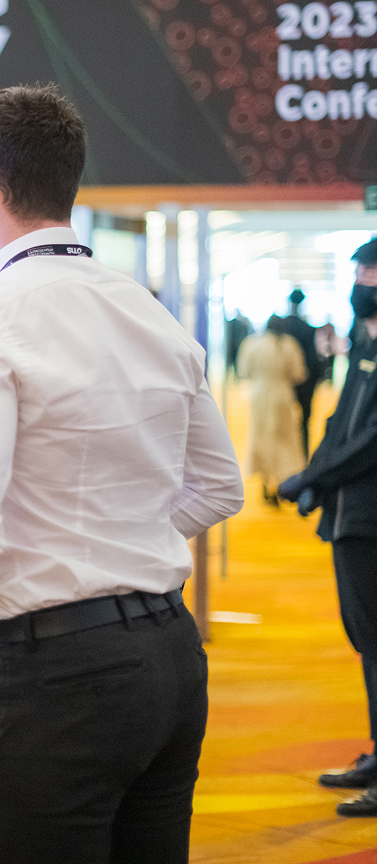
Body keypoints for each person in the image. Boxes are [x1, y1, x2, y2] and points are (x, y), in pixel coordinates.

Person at [0, 85, 244, 864]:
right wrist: (115, 545)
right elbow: (219, 484)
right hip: (167, 655)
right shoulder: (144, 308)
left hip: (53, 676)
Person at [279, 237, 377, 817]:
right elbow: (343, 421)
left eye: (369, 270)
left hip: (371, 515)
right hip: (351, 516)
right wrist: (315, 476)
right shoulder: (365, 340)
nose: (360, 278)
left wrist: (317, 476)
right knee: (367, 642)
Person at [237, 315, 308, 505]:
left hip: (259, 396)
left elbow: (243, 371)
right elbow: (299, 374)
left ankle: (265, 482)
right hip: (282, 395)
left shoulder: (253, 344)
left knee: (262, 438)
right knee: (282, 440)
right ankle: (280, 483)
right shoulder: (289, 345)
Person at [278, 288, 326, 456]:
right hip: (304, 382)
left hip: (282, 381)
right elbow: (312, 359)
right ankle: (303, 454)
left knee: (280, 422)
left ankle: (284, 456)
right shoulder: (307, 328)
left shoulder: (282, 326)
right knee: (304, 420)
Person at [224, 310, 251, 379]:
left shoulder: (234, 323)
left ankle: (233, 379)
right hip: (236, 347)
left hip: (232, 347)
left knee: (232, 366)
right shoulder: (242, 323)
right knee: (234, 366)